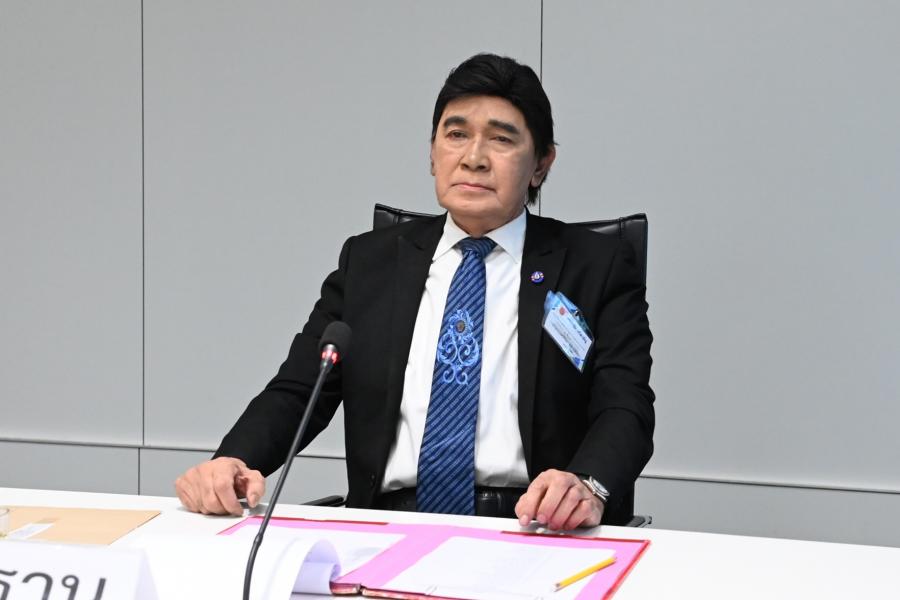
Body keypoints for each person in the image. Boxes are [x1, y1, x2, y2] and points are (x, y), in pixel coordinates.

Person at [175, 53, 654, 530]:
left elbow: (625, 406)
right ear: (431, 153)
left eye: (502, 139)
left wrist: (588, 485)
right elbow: (300, 390)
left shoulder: (596, 267)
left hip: (535, 527)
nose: (473, 158)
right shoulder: (370, 263)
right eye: (456, 134)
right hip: (387, 528)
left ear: (541, 165)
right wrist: (232, 462)